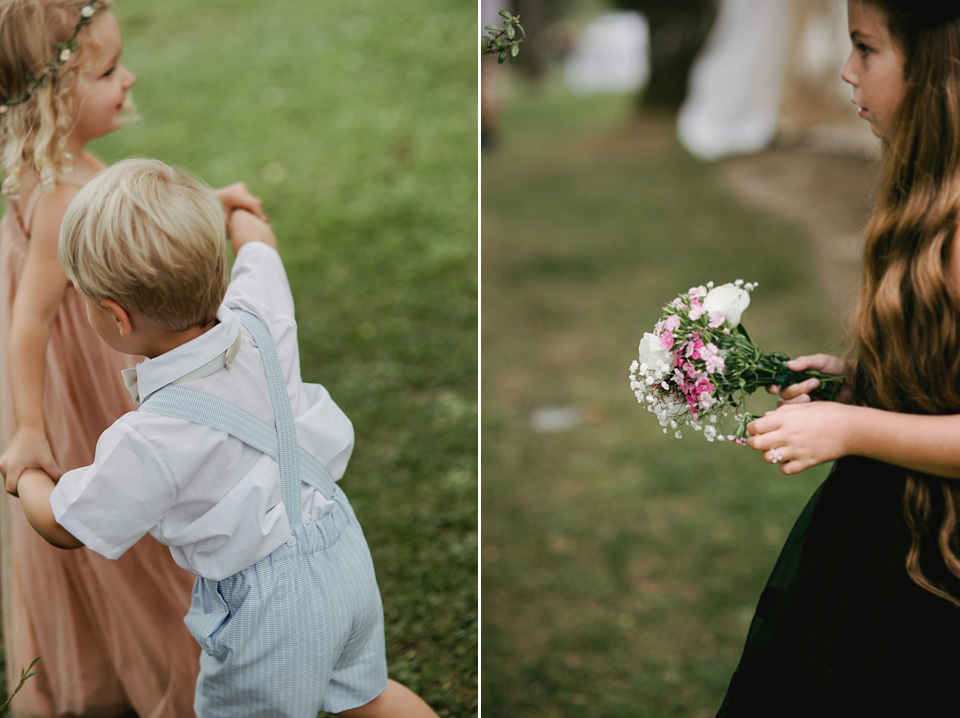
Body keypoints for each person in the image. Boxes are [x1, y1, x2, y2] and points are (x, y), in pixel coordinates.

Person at [7, 157, 440, 718]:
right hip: (341, 553)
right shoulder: (259, 306)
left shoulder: (151, 435)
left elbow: (67, 526)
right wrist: (237, 215)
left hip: (268, 611)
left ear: (115, 317)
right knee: (370, 698)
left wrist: (28, 474)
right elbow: (260, 244)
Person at [0, 1, 264, 714]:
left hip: (99, 357)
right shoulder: (58, 199)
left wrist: (209, 201)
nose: (129, 77)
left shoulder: (59, 166)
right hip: (92, 385)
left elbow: (124, 235)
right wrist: (29, 430)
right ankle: (174, 670)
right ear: (57, 95)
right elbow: (27, 324)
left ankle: (116, 666)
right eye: (110, 70)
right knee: (141, 528)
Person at [717, 2, 960, 715]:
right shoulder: (927, 203)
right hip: (893, 537)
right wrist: (863, 381)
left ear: (942, 69)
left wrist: (852, 431)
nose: (845, 71)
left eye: (866, 48)